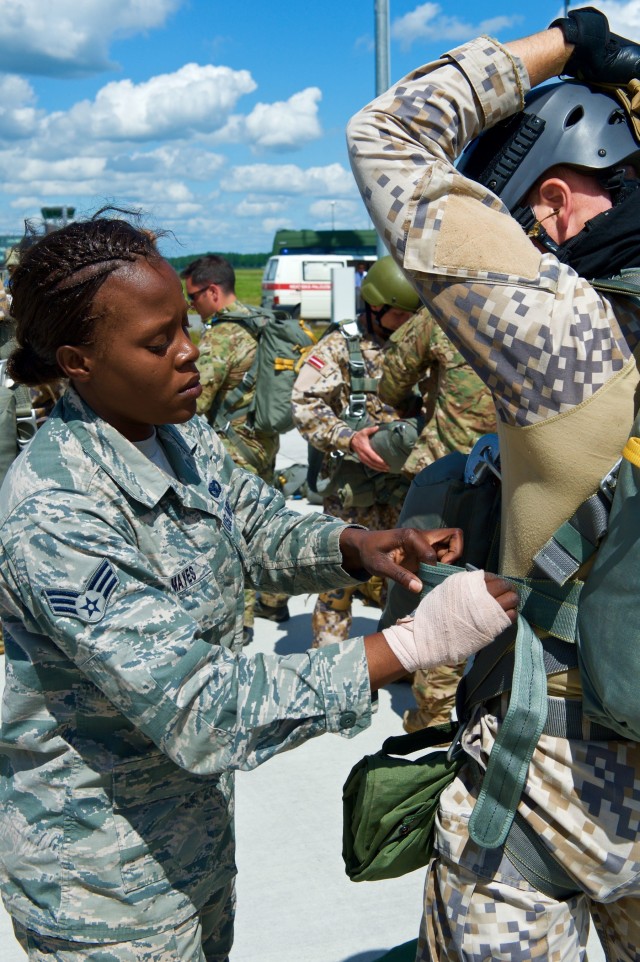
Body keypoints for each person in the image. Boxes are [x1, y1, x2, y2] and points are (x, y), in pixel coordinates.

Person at [0, 211, 518, 962]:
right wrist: (414, 643)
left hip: (189, 844)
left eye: (185, 327)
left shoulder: (173, 431)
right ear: (78, 362)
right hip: (101, 886)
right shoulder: (57, 513)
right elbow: (204, 708)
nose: (189, 356)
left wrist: (359, 546)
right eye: (157, 342)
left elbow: (253, 521)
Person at [348, 5, 640, 958]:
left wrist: (570, 38)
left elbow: (389, 134)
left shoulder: (567, 333)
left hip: (547, 783)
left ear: (552, 202)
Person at [377, 307, 497, 733]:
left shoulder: (452, 307)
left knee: (440, 599)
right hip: (532, 479)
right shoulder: (572, 302)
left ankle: (432, 725)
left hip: (456, 479)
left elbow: (391, 379)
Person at [291, 255, 420, 648]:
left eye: (410, 315)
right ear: (375, 305)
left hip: (404, 491)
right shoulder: (340, 347)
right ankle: (330, 672)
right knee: (338, 583)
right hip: (352, 493)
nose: (405, 323)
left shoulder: (420, 346)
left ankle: (394, 659)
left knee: (402, 582)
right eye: (398, 314)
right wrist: (348, 437)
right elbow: (304, 402)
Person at [181, 254, 288, 631]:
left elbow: (195, 400)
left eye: (192, 296)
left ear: (212, 291)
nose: (190, 304)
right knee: (269, 515)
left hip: (233, 451)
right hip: (265, 440)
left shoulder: (222, 335)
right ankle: (275, 600)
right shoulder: (261, 321)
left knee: (233, 532)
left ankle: (240, 622)